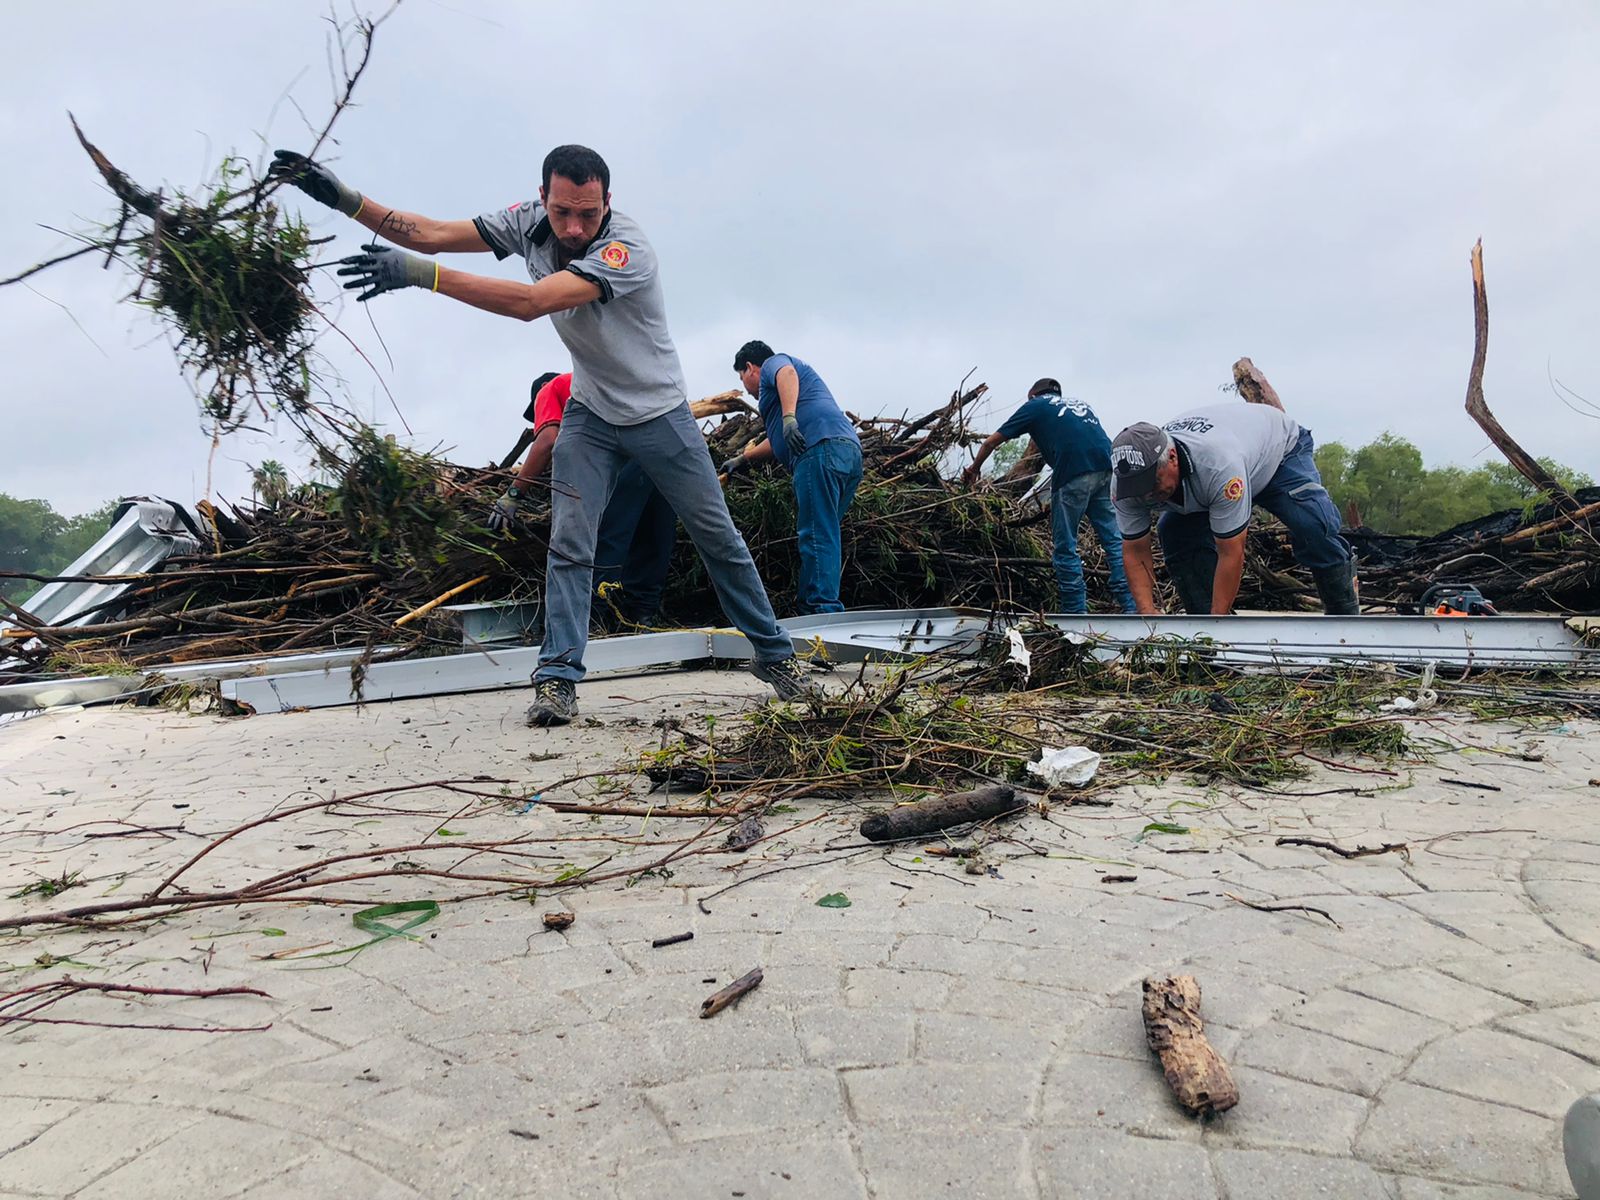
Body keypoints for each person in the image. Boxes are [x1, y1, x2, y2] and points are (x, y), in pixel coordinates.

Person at [269, 144, 818, 724]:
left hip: (660, 415)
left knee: (718, 537)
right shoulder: (527, 223)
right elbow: (429, 233)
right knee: (570, 542)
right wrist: (344, 199)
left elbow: (532, 303)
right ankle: (556, 679)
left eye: (588, 212)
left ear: (609, 202)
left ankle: (775, 656)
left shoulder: (626, 250)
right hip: (590, 414)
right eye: (562, 213)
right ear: (543, 201)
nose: (575, 227)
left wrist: (422, 277)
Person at [1108, 403, 1359, 615]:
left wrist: (1220, 627)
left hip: (1278, 453)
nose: (1146, 494)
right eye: (1137, 487)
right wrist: (1147, 614)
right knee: (1175, 533)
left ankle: (1345, 621)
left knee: (1312, 524)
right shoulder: (1125, 484)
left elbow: (1231, 552)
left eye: (1152, 483)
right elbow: (1135, 550)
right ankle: (1205, 642)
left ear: (1172, 458)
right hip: (1230, 463)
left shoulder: (1217, 465)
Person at [488, 371, 677, 628]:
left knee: (607, 534)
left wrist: (513, 495)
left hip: (628, 457)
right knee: (653, 536)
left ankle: (597, 618)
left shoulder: (550, 388)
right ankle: (642, 614)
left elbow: (546, 441)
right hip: (664, 450)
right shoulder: (595, 379)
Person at [962, 379, 1136, 614]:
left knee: (1066, 546)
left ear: (1032, 395)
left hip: (1073, 472)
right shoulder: (1078, 403)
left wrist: (973, 469)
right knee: (1113, 540)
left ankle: (1075, 614)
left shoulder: (1036, 406)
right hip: (1107, 469)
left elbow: (992, 441)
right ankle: (1132, 606)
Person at [721, 342, 863, 614]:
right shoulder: (791, 397)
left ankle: (821, 611)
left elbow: (786, 374)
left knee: (816, 535)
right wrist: (743, 459)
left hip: (818, 452)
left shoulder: (775, 366)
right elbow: (778, 443)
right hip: (848, 453)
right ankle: (822, 604)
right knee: (826, 533)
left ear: (750, 367)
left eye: (741, 378)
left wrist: (788, 419)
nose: (746, 388)